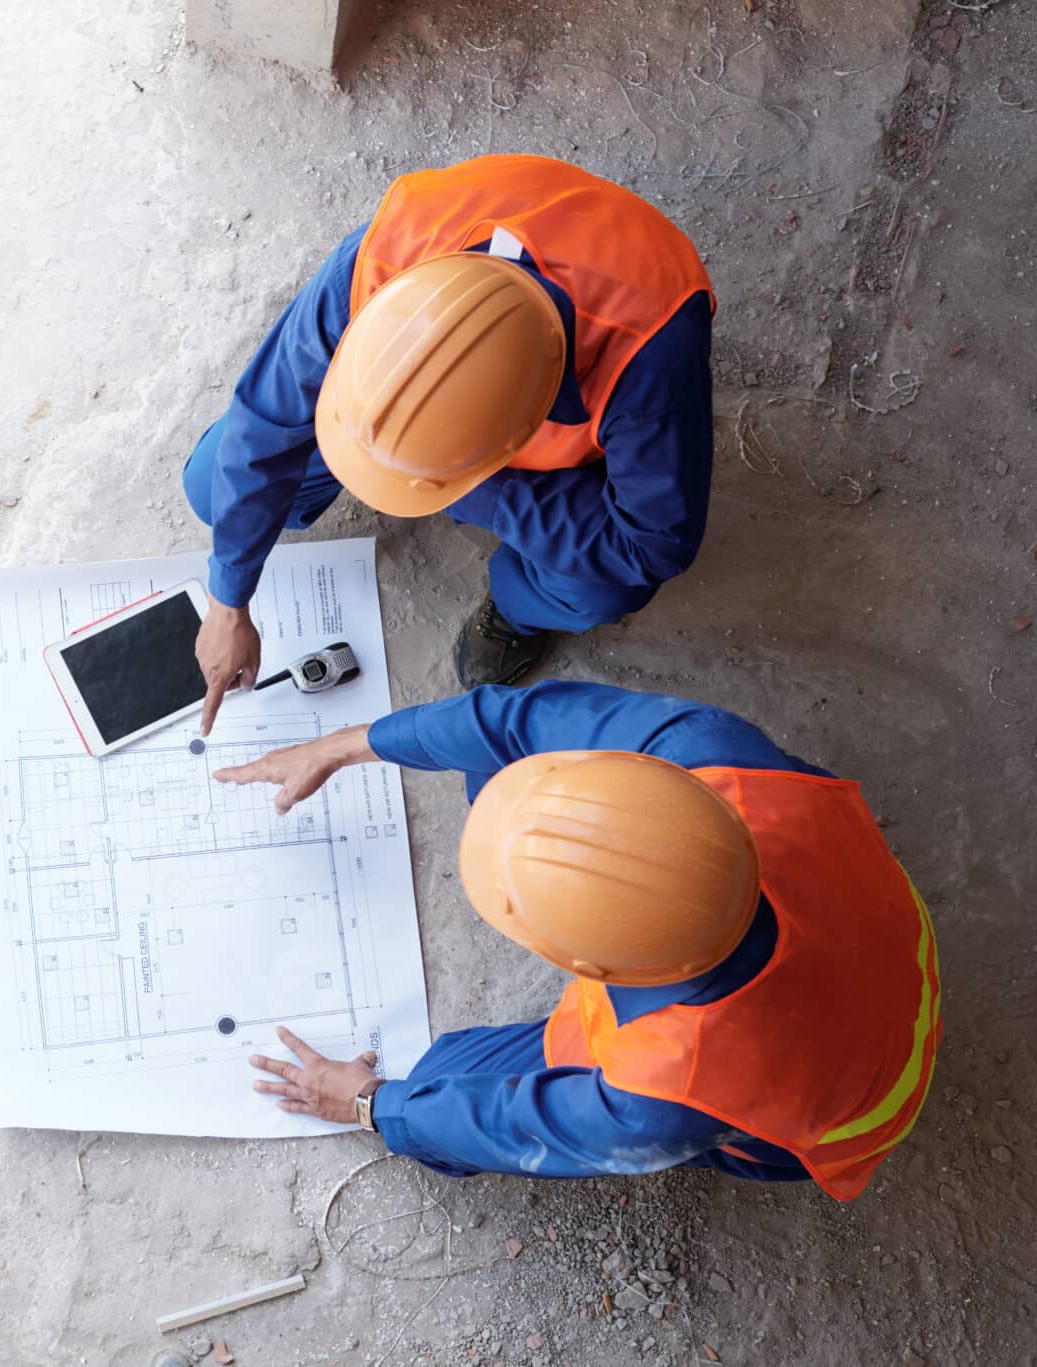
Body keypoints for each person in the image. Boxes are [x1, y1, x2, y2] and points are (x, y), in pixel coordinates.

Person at [213, 682, 940, 1200]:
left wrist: (370, 1103)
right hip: (880, 942)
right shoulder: (711, 755)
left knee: (440, 1080)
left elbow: (512, 1126)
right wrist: (343, 747)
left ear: (592, 969)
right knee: (488, 760)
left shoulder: (671, 1090)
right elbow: (503, 721)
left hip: (848, 1112)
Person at [184, 155, 716, 729]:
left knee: (600, 590)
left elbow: (654, 542)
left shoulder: (653, 357)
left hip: (562, 418)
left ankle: (516, 606)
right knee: (214, 485)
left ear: (514, 439)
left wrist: (476, 492)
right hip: (460, 403)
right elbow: (263, 419)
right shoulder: (387, 255)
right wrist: (228, 599)